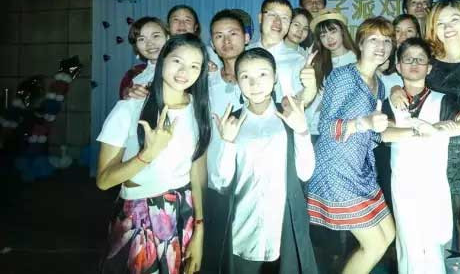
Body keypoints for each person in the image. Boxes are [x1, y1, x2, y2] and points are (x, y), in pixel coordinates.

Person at [96, 33, 212, 274]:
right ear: (162, 61)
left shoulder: (198, 109)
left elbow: (198, 173)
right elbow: (104, 181)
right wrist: (147, 155)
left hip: (184, 212)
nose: (184, 71)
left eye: (194, 66)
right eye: (177, 61)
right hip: (139, 215)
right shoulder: (129, 108)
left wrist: (200, 229)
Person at [207, 48, 317, 273]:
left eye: (263, 74)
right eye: (245, 76)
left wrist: (302, 131)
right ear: (237, 81)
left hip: (283, 228)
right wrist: (227, 142)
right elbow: (220, 182)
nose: (254, 83)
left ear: (275, 77)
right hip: (242, 226)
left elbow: (305, 173)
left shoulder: (289, 118)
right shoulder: (231, 122)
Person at [380, 37, 460, 274]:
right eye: (408, 59)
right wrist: (417, 131)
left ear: (429, 67)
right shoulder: (390, 102)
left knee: (434, 243)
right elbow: (384, 133)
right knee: (409, 245)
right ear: (398, 66)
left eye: (420, 59)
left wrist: (441, 129)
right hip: (403, 185)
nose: (414, 64)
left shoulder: (441, 100)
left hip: (434, 184)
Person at [393, 0, 460, 254]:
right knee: (431, 222)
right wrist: (396, 89)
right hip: (431, 153)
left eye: (454, 19)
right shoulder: (431, 62)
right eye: (440, 22)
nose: (447, 27)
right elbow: (412, 79)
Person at [307, 17, 396, 274]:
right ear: (360, 43)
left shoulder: (379, 85)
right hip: (335, 170)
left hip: (361, 171)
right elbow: (326, 126)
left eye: (387, 41)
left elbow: (374, 135)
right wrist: (362, 122)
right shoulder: (344, 76)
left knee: (388, 236)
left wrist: (413, 131)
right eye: (373, 39)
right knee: (374, 246)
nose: (381, 46)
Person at [248, 0, 317, 106]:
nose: (278, 22)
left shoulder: (297, 60)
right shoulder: (244, 53)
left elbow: (301, 99)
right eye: (272, 15)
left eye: (284, 18)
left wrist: (310, 88)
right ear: (261, 18)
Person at [306, 9, 357, 140]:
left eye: (333, 31)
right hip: (314, 128)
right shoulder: (317, 62)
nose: (329, 38)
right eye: (323, 35)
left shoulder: (358, 60)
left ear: (342, 31)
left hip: (345, 129)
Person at [119, 17, 170, 99]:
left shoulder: (182, 68)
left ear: (168, 37)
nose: (149, 43)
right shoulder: (133, 73)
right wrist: (128, 92)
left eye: (155, 36)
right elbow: (123, 96)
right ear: (136, 46)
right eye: (141, 39)